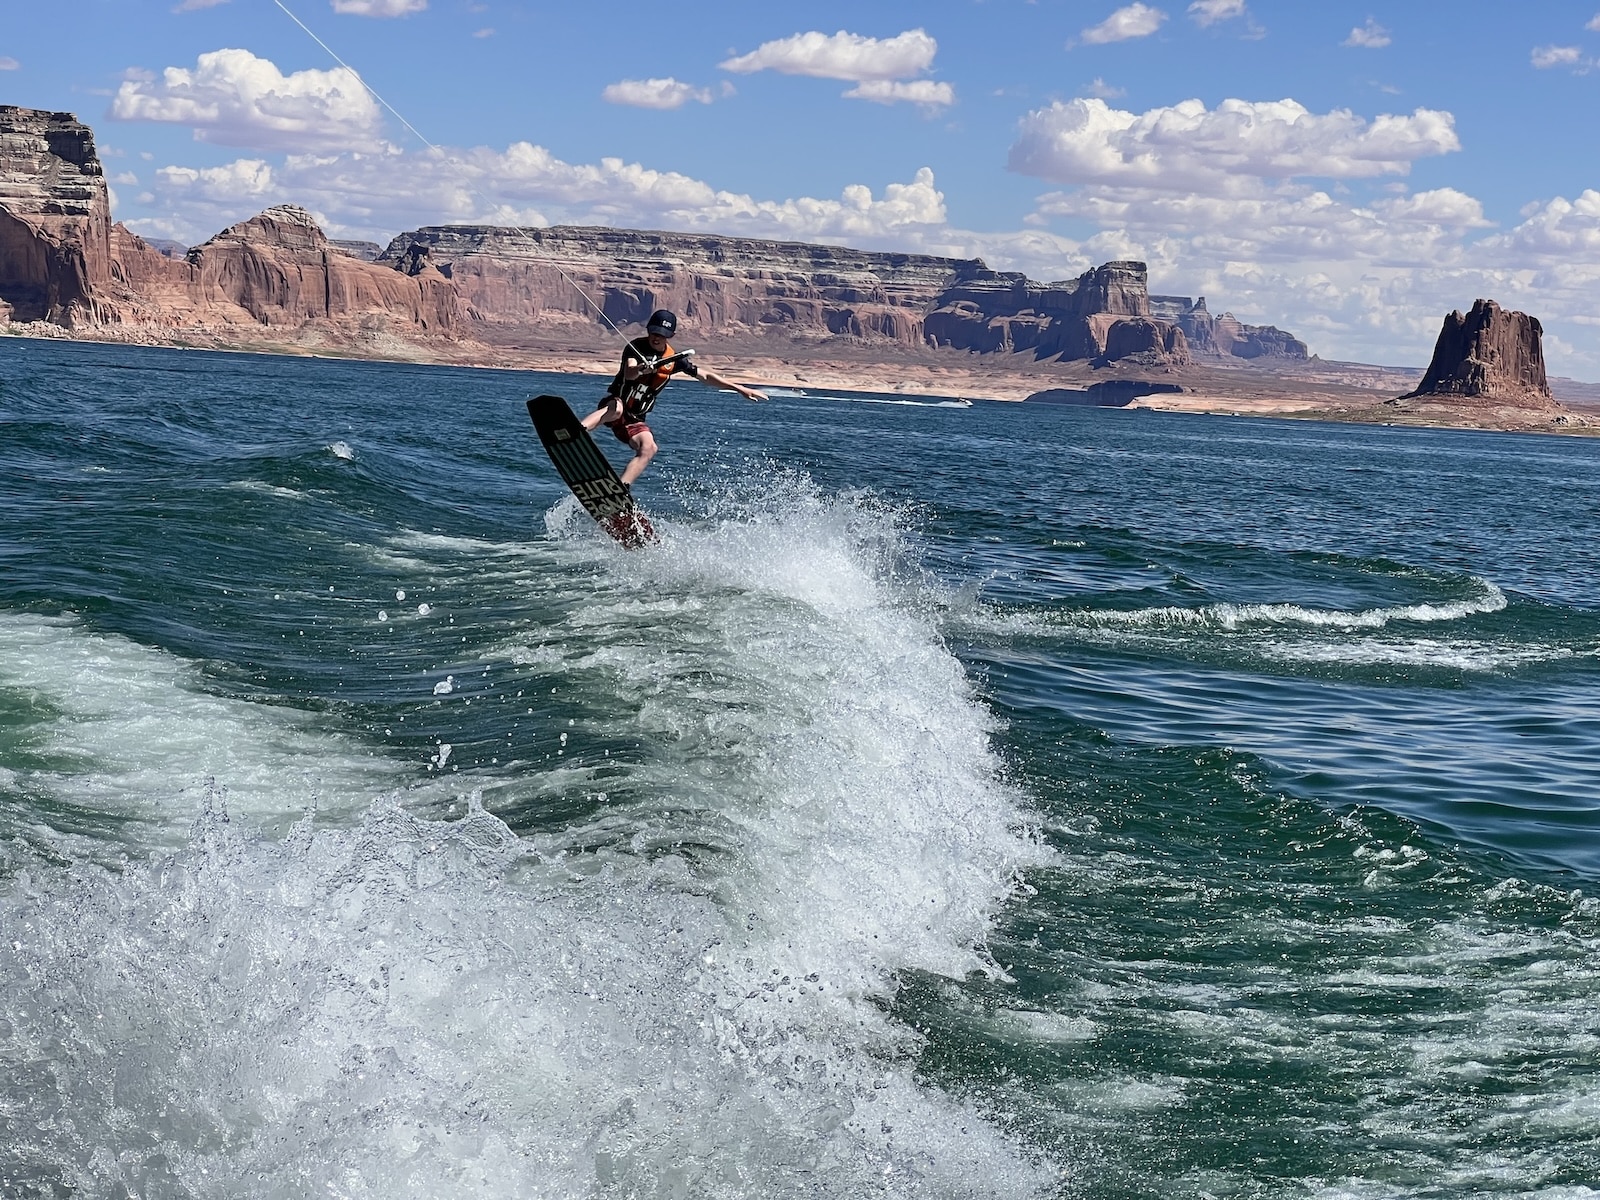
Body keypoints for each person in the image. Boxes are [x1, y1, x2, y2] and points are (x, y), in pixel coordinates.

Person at [581, 308, 766, 487]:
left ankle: (622, 488)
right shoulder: (635, 348)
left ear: (670, 335)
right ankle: (579, 430)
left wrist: (739, 388)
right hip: (617, 403)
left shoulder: (675, 360)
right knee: (616, 409)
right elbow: (629, 372)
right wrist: (641, 369)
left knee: (649, 448)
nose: (656, 337)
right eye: (654, 332)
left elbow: (706, 377)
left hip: (635, 418)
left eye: (661, 334)